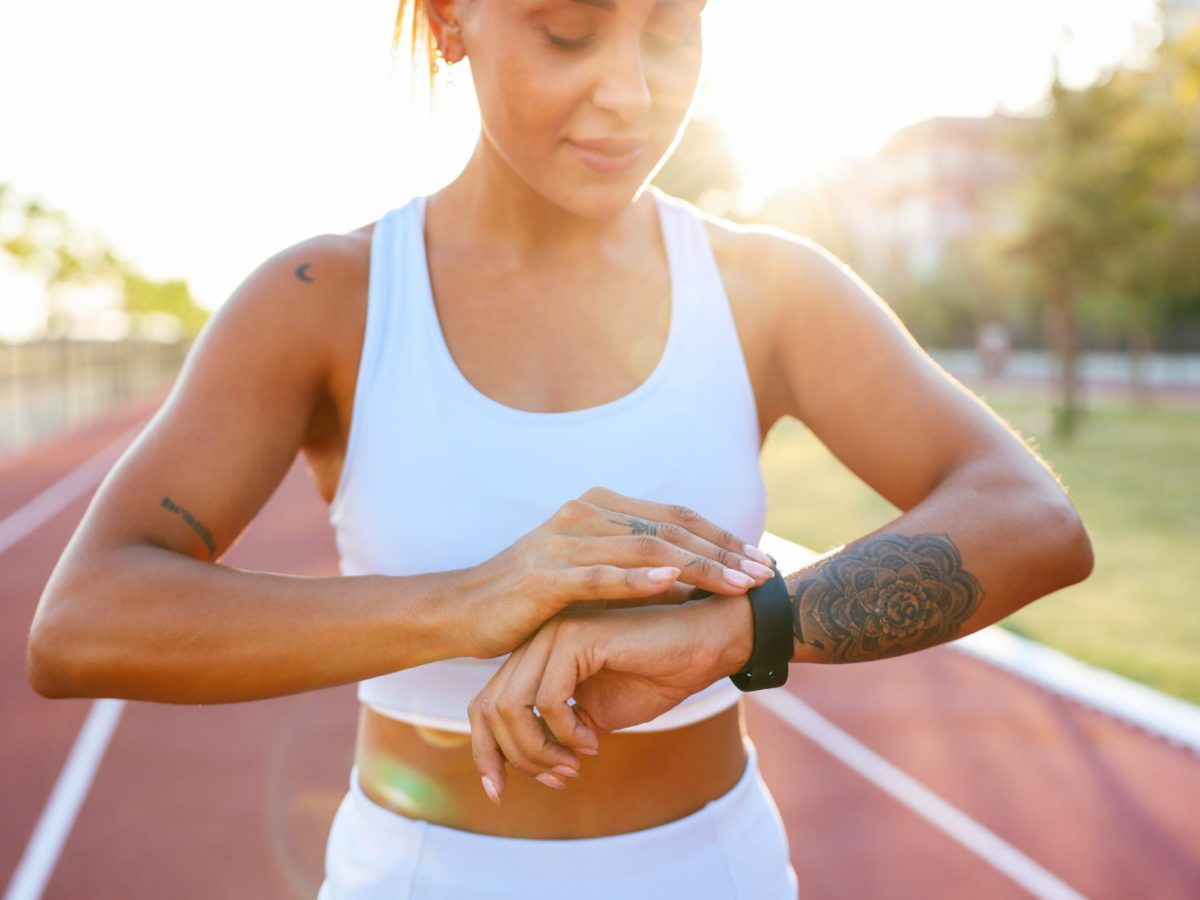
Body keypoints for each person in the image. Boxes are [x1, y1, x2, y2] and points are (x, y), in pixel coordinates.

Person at [26, 0, 1095, 897]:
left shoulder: (766, 286)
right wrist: (470, 600)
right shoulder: (326, 302)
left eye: (671, 31)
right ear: (452, 21)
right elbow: (84, 621)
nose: (631, 92)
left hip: (713, 870)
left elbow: (1030, 518)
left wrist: (735, 631)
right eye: (569, 33)